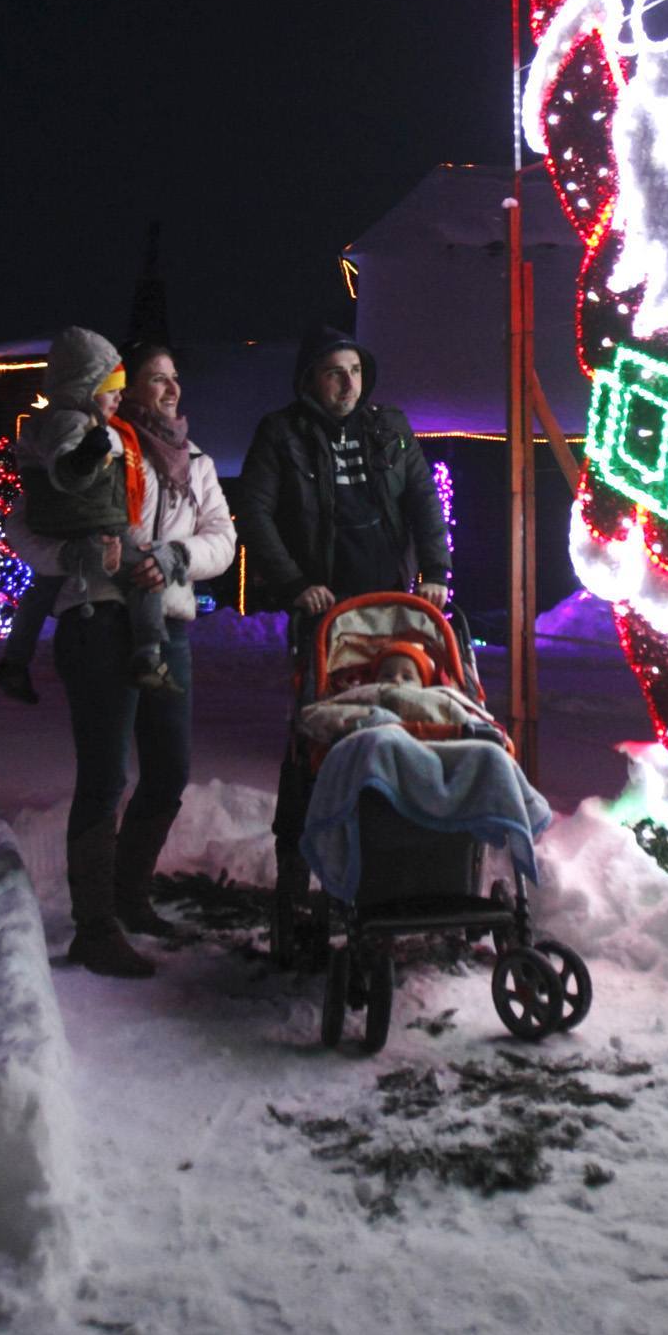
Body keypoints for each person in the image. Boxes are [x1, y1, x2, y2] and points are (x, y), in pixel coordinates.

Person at [235, 325, 450, 937]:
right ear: (309, 379)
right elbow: (253, 510)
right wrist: (295, 582)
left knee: (403, 720)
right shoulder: (282, 434)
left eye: (354, 371)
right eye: (334, 372)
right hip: (323, 610)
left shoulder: (391, 427)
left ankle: (401, 859)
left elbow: (421, 501)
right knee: (316, 739)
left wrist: (434, 569)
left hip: (390, 606)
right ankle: (295, 876)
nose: (347, 383)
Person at [33, 330, 236, 979]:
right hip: (97, 619)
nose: (171, 388)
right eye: (156, 377)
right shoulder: (97, 441)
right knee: (104, 774)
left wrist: (174, 559)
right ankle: (94, 927)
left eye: (176, 377)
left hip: (167, 624)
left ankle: (128, 894)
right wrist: (75, 557)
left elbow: (222, 540)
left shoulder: (194, 459)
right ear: (126, 387)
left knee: (169, 767)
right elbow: (25, 525)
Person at [9, 346, 176, 693]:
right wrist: (86, 458)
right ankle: (148, 654)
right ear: (87, 391)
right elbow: (67, 468)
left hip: (71, 525)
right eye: (111, 391)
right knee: (147, 571)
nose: (118, 398)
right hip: (89, 527)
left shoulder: (72, 423)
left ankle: (14, 662)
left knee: (42, 588)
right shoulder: (77, 424)